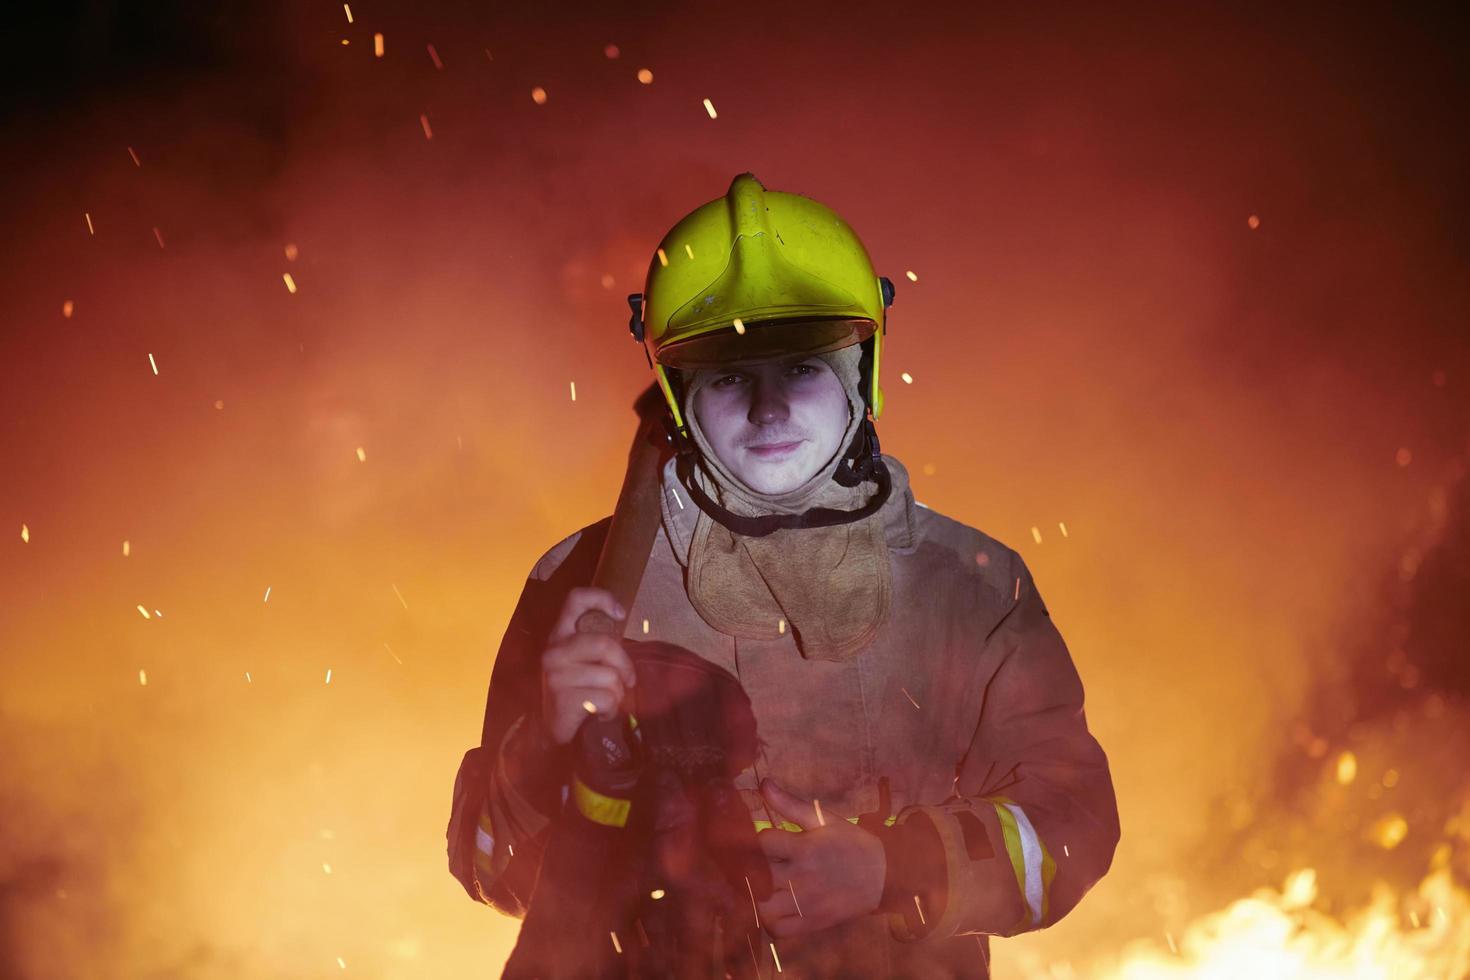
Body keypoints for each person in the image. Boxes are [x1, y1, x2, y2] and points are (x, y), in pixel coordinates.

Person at [447, 173, 1120, 978]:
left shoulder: (969, 588)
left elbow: (1073, 827)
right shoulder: (585, 588)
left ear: (859, 371)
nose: (770, 414)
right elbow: (487, 869)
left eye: (801, 370)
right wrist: (547, 750)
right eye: (731, 377)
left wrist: (894, 868)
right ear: (677, 391)